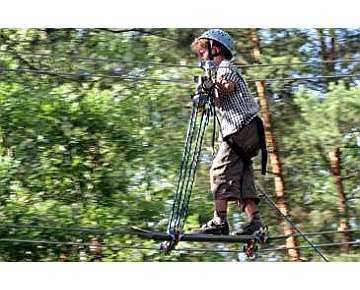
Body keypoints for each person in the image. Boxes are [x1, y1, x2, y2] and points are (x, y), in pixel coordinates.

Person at [191, 29, 267, 236]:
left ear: (215, 49)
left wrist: (211, 83)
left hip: (241, 127)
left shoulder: (225, 67)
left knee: (219, 171)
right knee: (241, 174)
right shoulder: (221, 72)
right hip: (252, 130)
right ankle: (255, 223)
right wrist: (204, 93)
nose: (201, 57)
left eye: (202, 53)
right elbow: (217, 98)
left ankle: (219, 222)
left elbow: (228, 86)